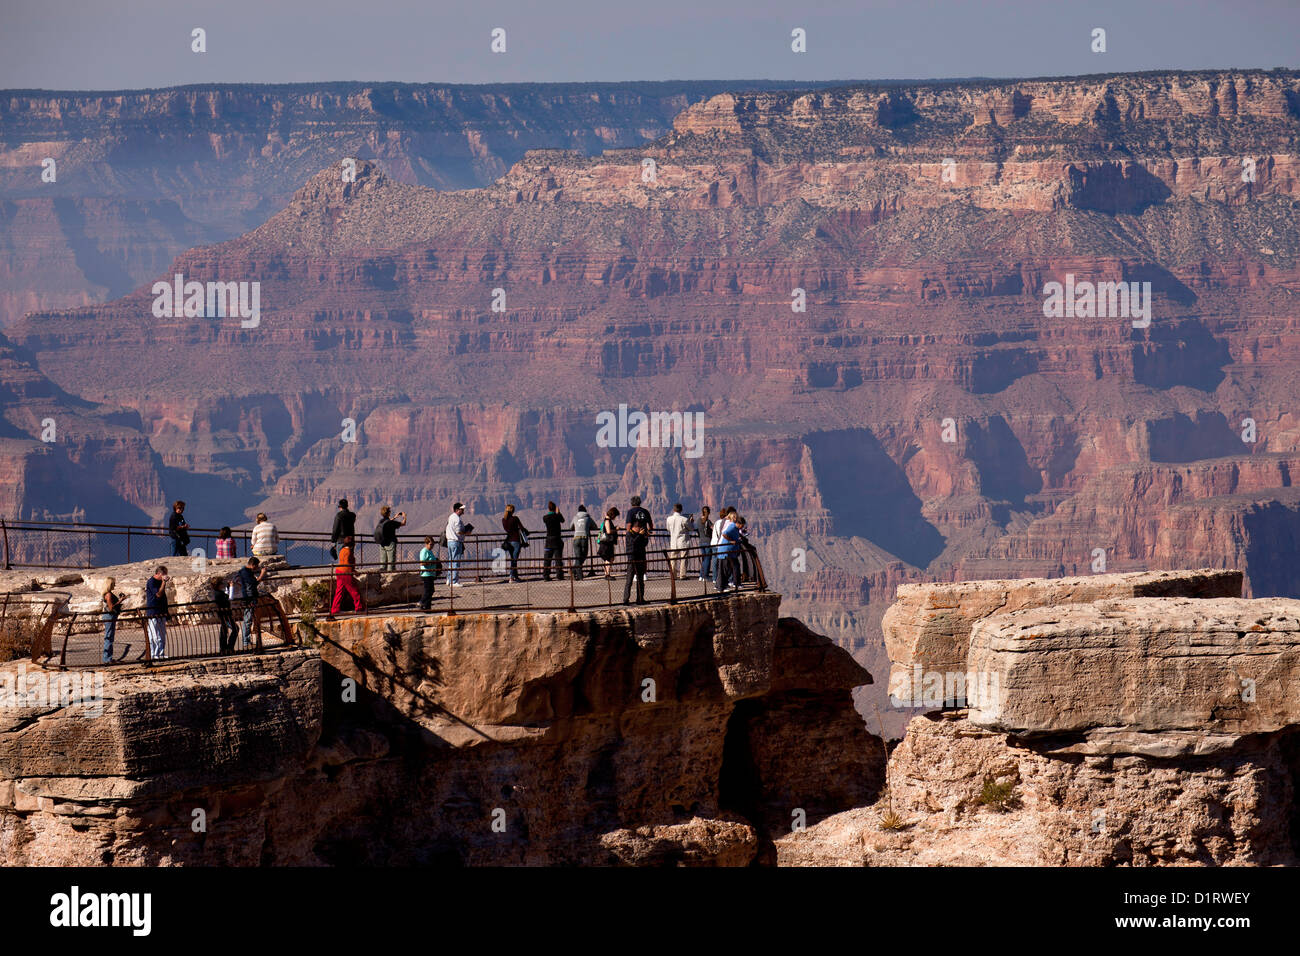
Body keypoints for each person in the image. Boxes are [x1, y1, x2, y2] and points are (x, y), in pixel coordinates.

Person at [237, 556, 268, 649]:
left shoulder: (246, 572)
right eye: (257, 566)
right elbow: (254, 583)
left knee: (250, 620)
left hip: (251, 597)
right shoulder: (245, 573)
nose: (257, 568)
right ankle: (246, 642)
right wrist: (262, 574)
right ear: (253, 565)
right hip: (249, 598)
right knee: (247, 620)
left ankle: (248, 641)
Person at [330, 535, 365, 616]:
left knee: (339, 591)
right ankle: (359, 607)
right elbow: (347, 564)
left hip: (339, 571)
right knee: (354, 590)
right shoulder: (349, 552)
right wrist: (353, 572)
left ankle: (334, 609)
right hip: (345, 573)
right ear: (353, 544)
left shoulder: (342, 550)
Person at [622, 514, 650, 605]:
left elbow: (643, 544)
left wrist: (645, 537)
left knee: (640, 580)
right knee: (629, 580)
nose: (641, 529)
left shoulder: (639, 535)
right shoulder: (629, 534)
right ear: (636, 527)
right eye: (640, 528)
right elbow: (633, 544)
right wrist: (639, 535)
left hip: (640, 558)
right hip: (632, 559)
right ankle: (625, 600)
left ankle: (640, 598)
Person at [144, 566, 169, 660]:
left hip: (161, 611)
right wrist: (164, 582)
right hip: (153, 612)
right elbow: (158, 594)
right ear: (159, 574)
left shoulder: (160, 582)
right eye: (164, 574)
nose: (165, 576)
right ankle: (154, 654)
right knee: (155, 635)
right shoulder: (151, 582)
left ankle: (161, 653)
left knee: (162, 635)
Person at [716, 508, 742, 593]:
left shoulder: (733, 526)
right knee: (724, 569)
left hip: (727, 551)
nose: (735, 518)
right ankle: (721, 587)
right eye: (734, 517)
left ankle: (722, 586)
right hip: (725, 550)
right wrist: (731, 541)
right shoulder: (731, 525)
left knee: (725, 569)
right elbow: (724, 534)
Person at [445, 503, 471, 586]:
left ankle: (449, 579)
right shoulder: (457, 519)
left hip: (449, 541)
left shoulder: (451, 517)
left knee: (451, 561)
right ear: (457, 510)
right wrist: (466, 532)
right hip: (455, 541)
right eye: (461, 509)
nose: (463, 511)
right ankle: (454, 581)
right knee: (455, 561)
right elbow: (458, 532)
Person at [209, 574, 236, 654]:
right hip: (225, 615)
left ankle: (223, 649)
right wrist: (231, 587)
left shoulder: (218, 593)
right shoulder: (218, 594)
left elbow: (226, 596)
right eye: (222, 583)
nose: (223, 585)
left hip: (224, 615)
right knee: (235, 629)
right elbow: (230, 598)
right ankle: (229, 647)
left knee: (223, 631)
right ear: (218, 585)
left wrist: (227, 587)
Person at [501, 504, 527, 582]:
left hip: (508, 542)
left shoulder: (503, 520)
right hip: (516, 541)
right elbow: (522, 528)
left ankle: (516, 577)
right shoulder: (515, 519)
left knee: (513, 559)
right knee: (514, 560)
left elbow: (507, 530)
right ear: (512, 511)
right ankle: (511, 577)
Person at [375, 505, 406, 571]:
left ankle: (382, 574)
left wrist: (394, 517)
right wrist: (404, 517)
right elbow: (403, 523)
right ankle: (390, 575)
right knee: (391, 561)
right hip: (390, 543)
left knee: (383, 561)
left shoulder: (381, 521)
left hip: (382, 543)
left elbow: (388, 521)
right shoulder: (391, 523)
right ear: (389, 513)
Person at [665, 503, 691, 580]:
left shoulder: (669, 519)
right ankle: (682, 575)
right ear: (681, 510)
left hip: (673, 542)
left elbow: (668, 529)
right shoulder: (684, 519)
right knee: (684, 559)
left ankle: (673, 575)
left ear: (674, 510)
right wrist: (691, 521)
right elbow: (691, 528)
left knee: (673, 559)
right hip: (683, 542)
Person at [542, 501, 566, 581]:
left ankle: (546, 576)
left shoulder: (545, 517)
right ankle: (559, 575)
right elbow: (563, 520)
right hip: (557, 540)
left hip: (548, 540)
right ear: (555, 508)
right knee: (558, 559)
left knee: (547, 559)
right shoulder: (557, 516)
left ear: (548, 508)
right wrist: (558, 513)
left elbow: (547, 519)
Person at [100, 577, 122, 664]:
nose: (114, 585)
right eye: (113, 584)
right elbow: (111, 607)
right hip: (109, 616)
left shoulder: (107, 593)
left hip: (109, 616)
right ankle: (107, 659)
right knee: (108, 637)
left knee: (109, 637)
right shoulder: (108, 594)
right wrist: (120, 601)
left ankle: (109, 658)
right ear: (110, 584)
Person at [571, 505, 593, 580]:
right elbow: (595, 526)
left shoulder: (575, 517)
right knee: (584, 555)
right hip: (584, 538)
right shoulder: (588, 518)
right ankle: (580, 576)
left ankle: (574, 570)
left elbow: (571, 527)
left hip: (576, 538)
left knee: (578, 557)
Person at [597, 507, 620, 579]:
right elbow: (608, 531)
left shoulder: (607, 520)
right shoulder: (607, 521)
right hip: (606, 543)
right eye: (615, 516)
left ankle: (607, 574)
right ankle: (607, 575)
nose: (615, 518)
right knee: (609, 558)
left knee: (609, 558)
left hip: (606, 543)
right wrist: (616, 530)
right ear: (612, 514)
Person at [418, 535, 438, 611]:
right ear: (426, 544)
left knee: (431, 590)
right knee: (428, 591)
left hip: (430, 573)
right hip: (426, 574)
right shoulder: (424, 551)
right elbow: (422, 563)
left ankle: (427, 607)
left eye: (433, 544)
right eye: (430, 544)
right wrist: (431, 563)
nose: (432, 546)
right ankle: (421, 602)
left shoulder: (429, 551)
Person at [697, 505, 713, 581]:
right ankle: (705, 576)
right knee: (707, 559)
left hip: (701, 542)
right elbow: (713, 529)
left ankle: (701, 576)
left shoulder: (698, 520)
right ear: (708, 513)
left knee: (704, 559)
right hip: (708, 542)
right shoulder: (708, 521)